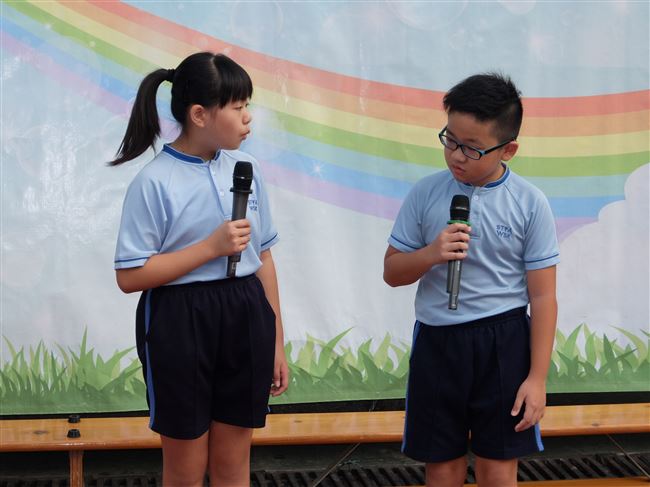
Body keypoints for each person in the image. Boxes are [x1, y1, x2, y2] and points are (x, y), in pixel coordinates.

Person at [111, 52, 289, 487]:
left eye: (248, 105)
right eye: (238, 106)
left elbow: (263, 257)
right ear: (199, 115)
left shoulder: (248, 169)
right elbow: (130, 277)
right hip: (179, 319)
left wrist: (276, 341)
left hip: (246, 312)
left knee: (232, 465)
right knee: (186, 471)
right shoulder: (154, 181)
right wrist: (210, 248)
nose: (248, 117)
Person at [383, 73, 558, 487]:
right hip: (438, 342)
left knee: (497, 465)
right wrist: (431, 253)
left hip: (504, 342)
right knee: (441, 463)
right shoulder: (426, 193)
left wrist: (536, 379)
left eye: (472, 148)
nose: (456, 156)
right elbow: (392, 272)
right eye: (450, 140)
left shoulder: (530, 203)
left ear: (508, 149)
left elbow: (544, 297)